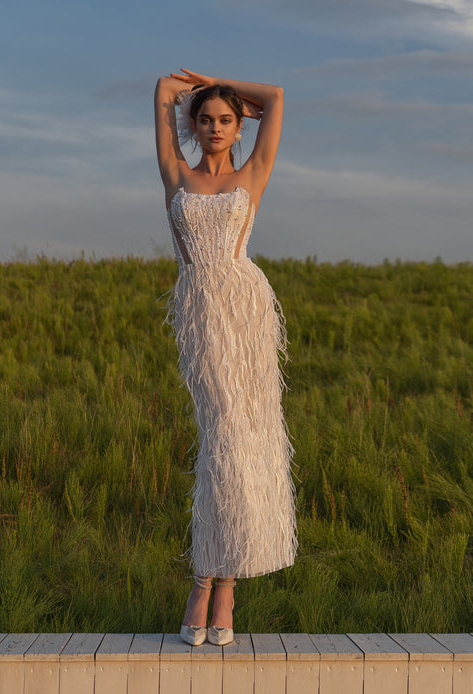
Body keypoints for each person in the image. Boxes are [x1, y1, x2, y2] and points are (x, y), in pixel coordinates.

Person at [154, 69, 297, 646]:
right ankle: (201, 582)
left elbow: (277, 97)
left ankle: (224, 584)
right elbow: (163, 89)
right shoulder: (176, 174)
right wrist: (188, 93)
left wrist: (220, 82)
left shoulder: (251, 175)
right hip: (201, 314)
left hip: (246, 311)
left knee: (245, 437)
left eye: (225, 120)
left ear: (239, 127)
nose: (214, 128)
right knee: (222, 435)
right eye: (206, 119)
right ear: (193, 125)